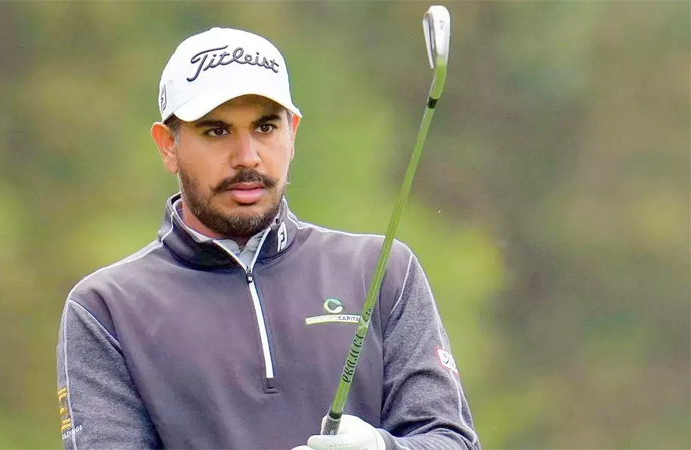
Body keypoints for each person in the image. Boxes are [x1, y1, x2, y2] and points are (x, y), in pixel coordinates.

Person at [56, 27, 480, 450]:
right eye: (217, 131)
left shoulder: (382, 271)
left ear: (292, 132)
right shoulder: (106, 308)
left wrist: (381, 449)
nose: (247, 157)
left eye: (265, 127)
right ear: (168, 145)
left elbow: (452, 440)